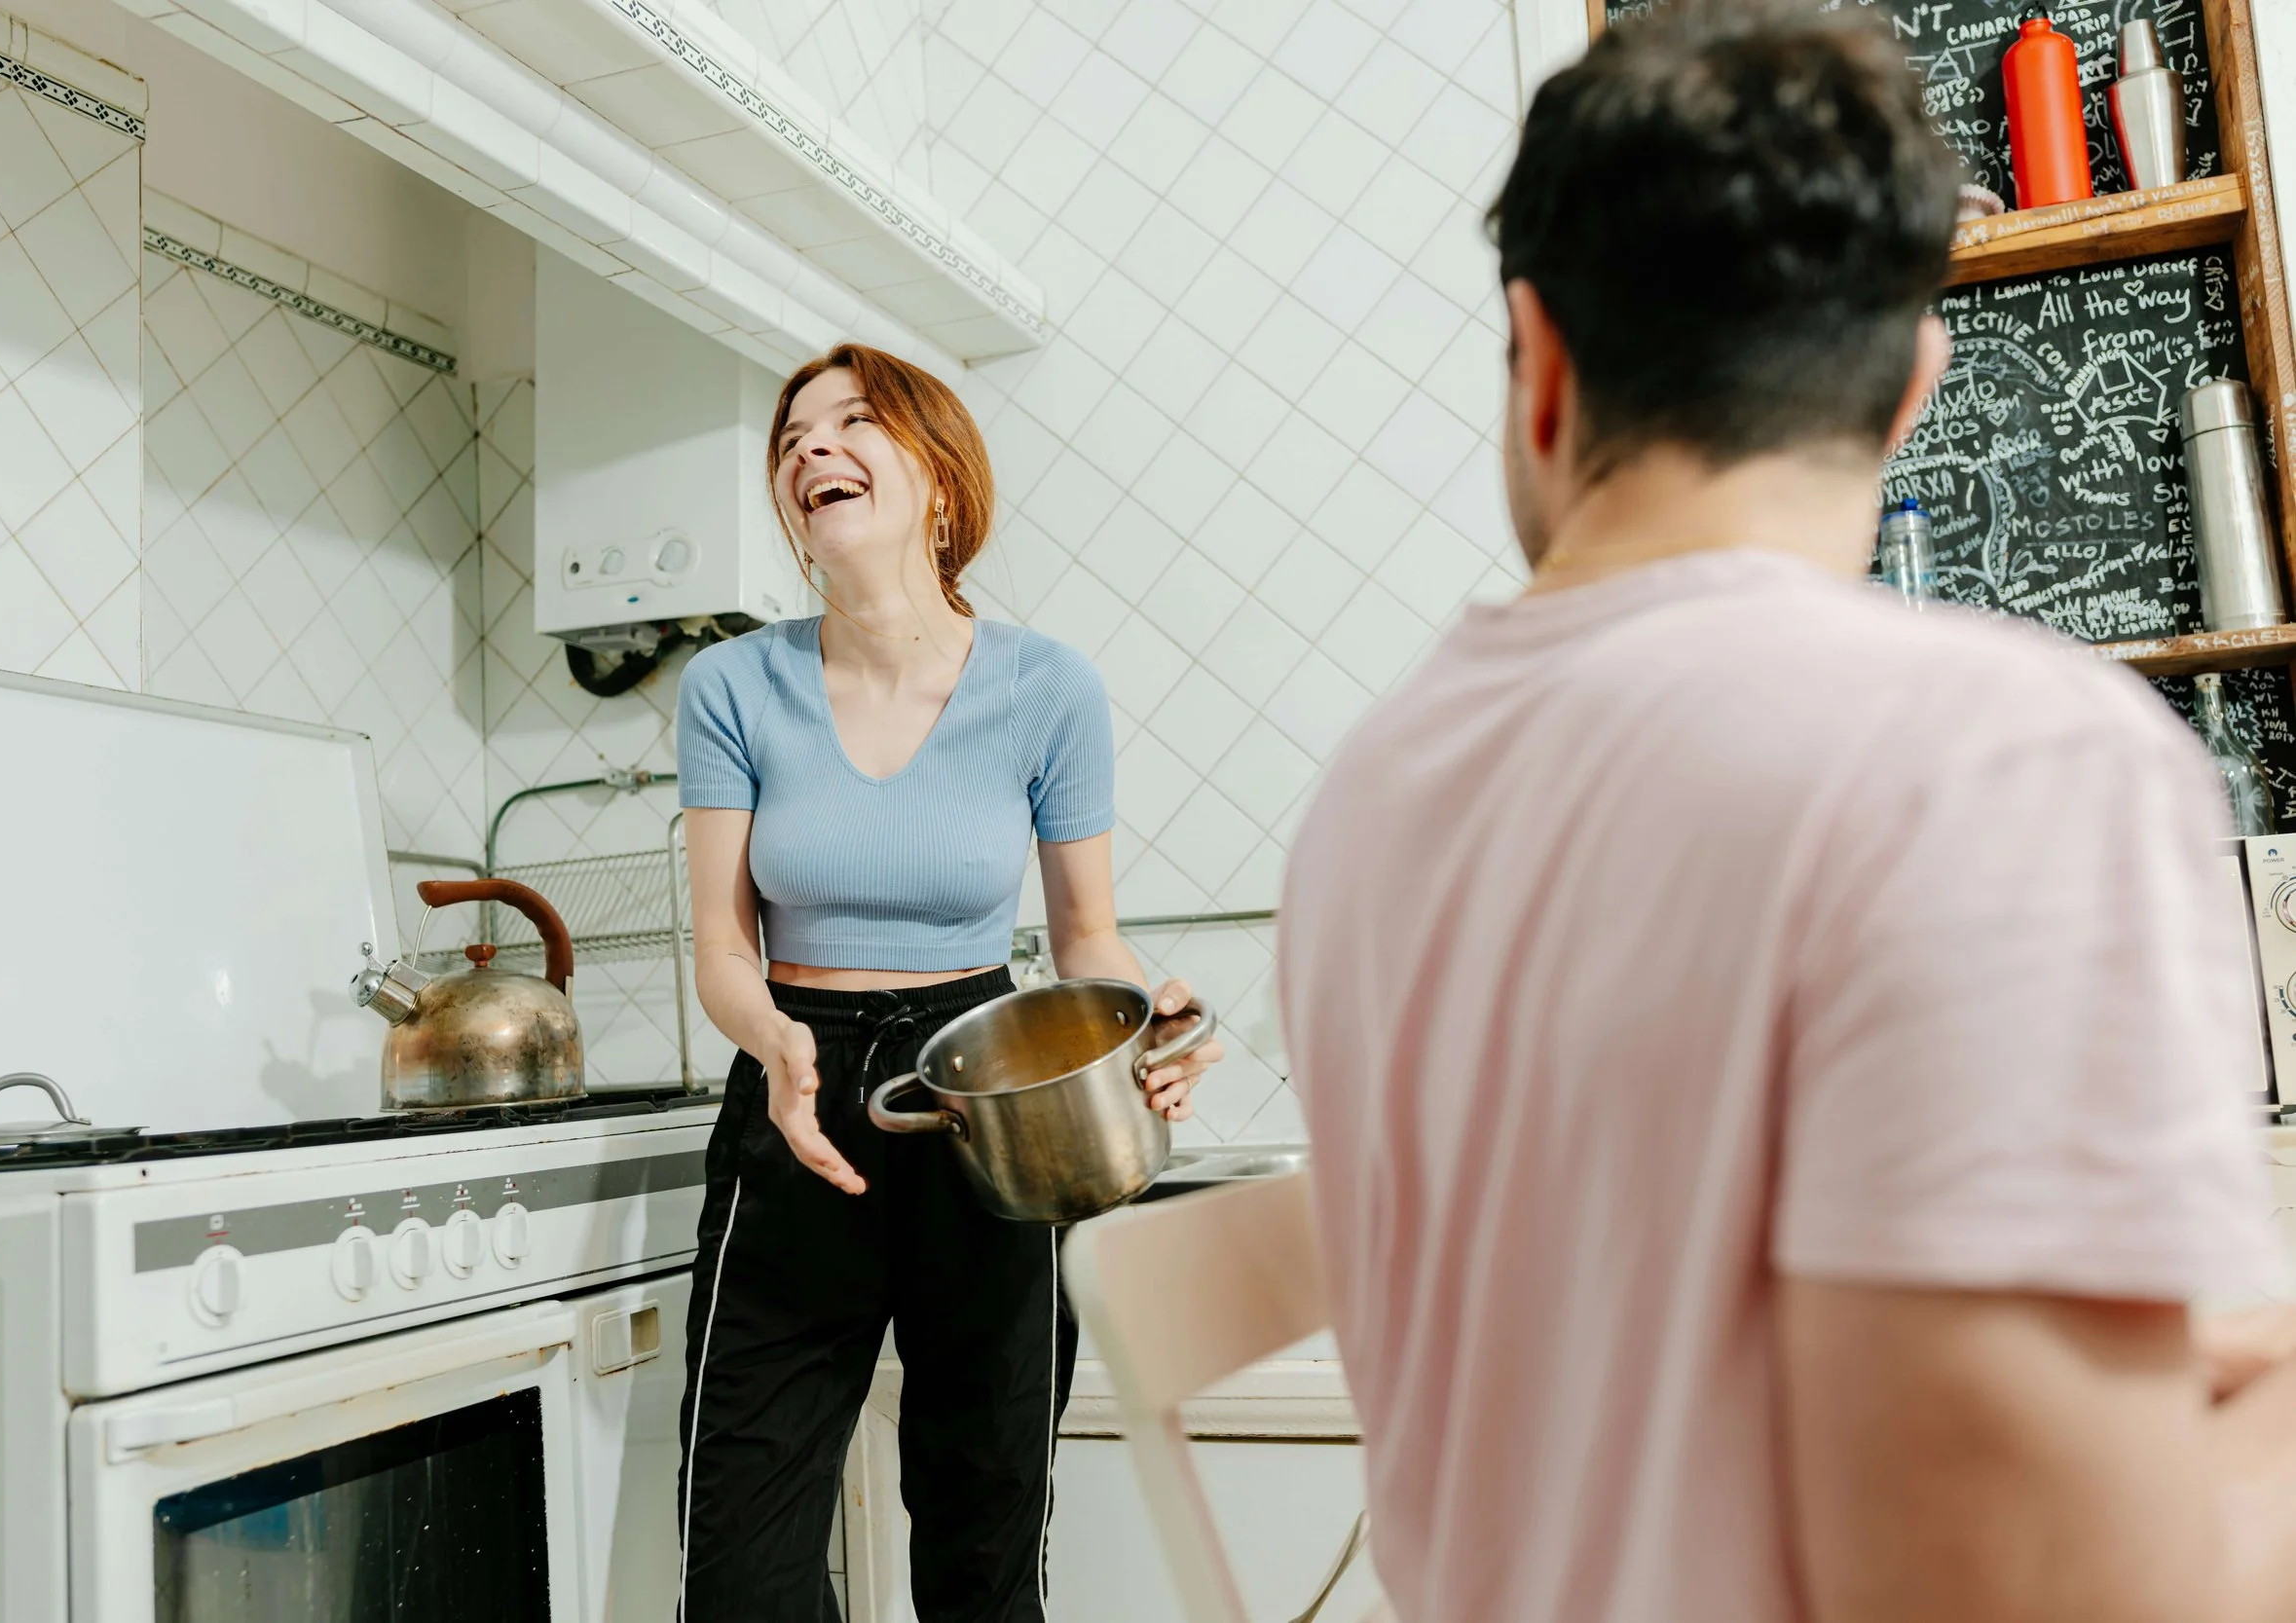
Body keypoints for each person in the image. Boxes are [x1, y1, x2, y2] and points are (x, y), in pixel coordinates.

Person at [1278, 4, 2296, 1621]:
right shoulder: (2005, 757)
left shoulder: (1372, 794)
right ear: (1911, 387)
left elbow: (1644, 1370)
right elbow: (2041, 1596)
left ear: (1539, 363)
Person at [672, 342, 1222, 1622]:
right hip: (793, 1106)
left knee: (983, 1554)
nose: (812, 447)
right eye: (793, 437)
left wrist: (1149, 1023)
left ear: (940, 480)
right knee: (738, 1572)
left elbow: (1088, 934)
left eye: (853, 421)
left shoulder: (1047, 688)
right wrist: (775, 1041)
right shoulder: (732, 686)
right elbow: (718, 945)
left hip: (993, 1100)